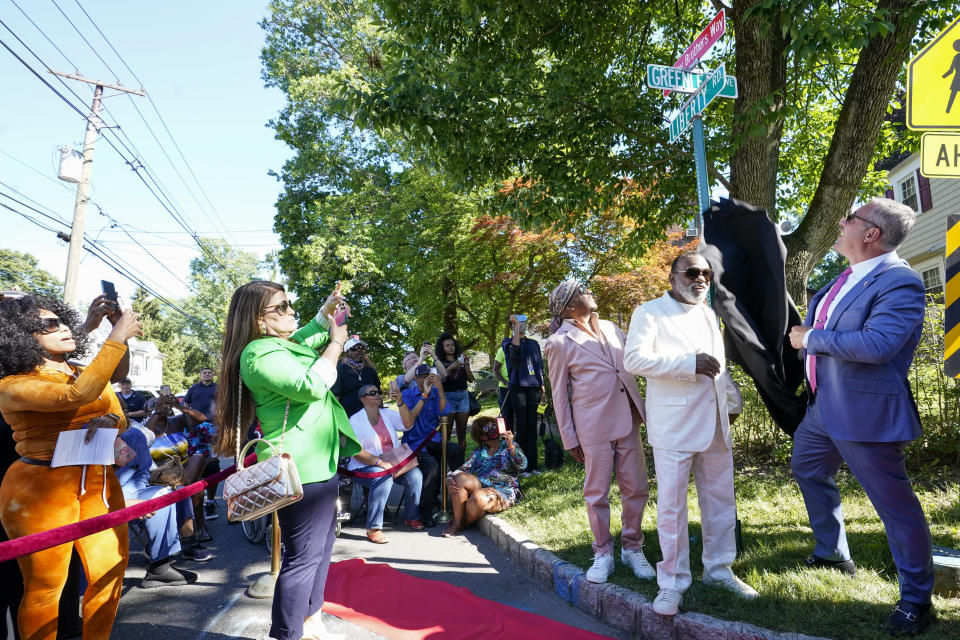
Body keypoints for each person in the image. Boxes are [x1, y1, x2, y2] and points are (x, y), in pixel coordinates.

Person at [787, 198, 934, 636]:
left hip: (865, 413)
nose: (840, 221)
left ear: (872, 233)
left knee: (896, 508)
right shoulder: (846, 276)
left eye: (849, 217)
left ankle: (916, 600)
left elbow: (878, 344)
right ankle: (833, 551)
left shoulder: (900, 281)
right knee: (807, 467)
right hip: (823, 408)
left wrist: (811, 337)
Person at [214, 281, 361, 640]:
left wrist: (327, 313)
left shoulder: (280, 345)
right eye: (280, 307)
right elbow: (312, 384)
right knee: (302, 560)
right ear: (258, 319)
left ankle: (310, 620)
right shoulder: (258, 354)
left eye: (289, 304)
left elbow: (309, 335)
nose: (290, 311)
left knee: (321, 549)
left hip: (317, 464)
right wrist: (338, 341)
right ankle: (285, 633)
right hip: (298, 469)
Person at [0, 294, 141, 640]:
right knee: (45, 588)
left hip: (98, 482)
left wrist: (109, 419)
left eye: (62, 319)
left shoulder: (80, 370)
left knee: (109, 575)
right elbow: (75, 397)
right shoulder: (11, 384)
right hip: (39, 489)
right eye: (49, 324)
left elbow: (118, 415)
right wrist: (115, 339)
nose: (63, 326)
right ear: (21, 335)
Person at [624, 251, 755, 616]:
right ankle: (672, 582)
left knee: (720, 502)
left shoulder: (708, 314)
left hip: (715, 424)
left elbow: (718, 367)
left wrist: (730, 401)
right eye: (692, 272)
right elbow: (632, 360)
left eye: (706, 274)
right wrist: (686, 364)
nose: (700, 279)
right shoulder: (648, 313)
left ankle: (719, 570)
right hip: (674, 428)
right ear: (672, 276)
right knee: (672, 508)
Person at [544, 280, 655, 584]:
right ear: (569, 307)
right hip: (592, 427)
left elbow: (636, 357)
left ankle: (632, 548)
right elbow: (558, 395)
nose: (589, 292)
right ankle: (603, 552)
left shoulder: (609, 326)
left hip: (628, 419)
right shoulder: (558, 343)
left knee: (636, 488)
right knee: (597, 494)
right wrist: (570, 438)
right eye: (582, 290)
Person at [115, 425, 207, 588]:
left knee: (178, 491)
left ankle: (185, 544)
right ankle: (159, 566)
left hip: (141, 483)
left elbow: (150, 435)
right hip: (114, 494)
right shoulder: (93, 433)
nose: (121, 414)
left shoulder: (134, 431)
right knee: (162, 496)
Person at [346, 384, 423, 543]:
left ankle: (411, 516)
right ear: (363, 399)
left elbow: (408, 424)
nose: (377, 395)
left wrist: (400, 402)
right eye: (372, 393)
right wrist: (379, 462)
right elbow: (356, 451)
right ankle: (373, 528)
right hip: (364, 465)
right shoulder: (355, 420)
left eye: (378, 392)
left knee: (416, 475)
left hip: (393, 462)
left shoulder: (387, 413)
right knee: (383, 477)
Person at [143, 394, 215, 549]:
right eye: (154, 404)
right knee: (195, 487)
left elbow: (202, 418)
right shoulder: (144, 429)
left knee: (198, 457)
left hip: (183, 469)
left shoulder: (176, 421)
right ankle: (199, 526)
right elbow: (142, 438)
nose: (161, 406)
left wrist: (179, 406)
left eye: (163, 404)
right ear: (147, 411)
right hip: (159, 474)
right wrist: (156, 413)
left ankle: (183, 492)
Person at [400, 364, 463, 527]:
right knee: (432, 465)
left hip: (434, 440)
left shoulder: (437, 393)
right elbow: (409, 419)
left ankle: (457, 500)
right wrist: (425, 395)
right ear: (415, 379)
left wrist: (440, 390)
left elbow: (445, 414)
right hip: (414, 444)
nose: (426, 378)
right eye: (422, 376)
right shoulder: (407, 394)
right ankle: (424, 512)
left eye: (429, 375)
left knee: (456, 450)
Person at [442, 416, 526, 538]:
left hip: (504, 489)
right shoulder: (479, 452)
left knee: (477, 499)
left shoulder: (509, 446)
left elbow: (522, 465)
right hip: (482, 485)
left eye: (494, 425)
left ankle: (463, 522)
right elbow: (462, 470)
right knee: (459, 478)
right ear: (481, 436)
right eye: (488, 427)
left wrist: (511, 446)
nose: (493, 429)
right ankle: (457, 522)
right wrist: (449, 479)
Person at [502, 314, 546, 474]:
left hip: (533, 387)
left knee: (532, 426)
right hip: (518, 387)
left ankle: (533, 465)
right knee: (521, 427)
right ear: (513, 326)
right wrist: (516, 329)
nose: (523, 326)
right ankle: (523, 466)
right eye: (519, 323)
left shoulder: (533, 343)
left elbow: (539, 366)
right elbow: (514, 357)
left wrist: (543, 389)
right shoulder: (507, 342)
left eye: (524, 323)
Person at [434, 332, 474, 445]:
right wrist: (451, 368)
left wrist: (467, 366)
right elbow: (438, 380)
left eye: (452, 345)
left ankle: (461, 462)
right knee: (447, 433)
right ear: (442, 348)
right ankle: (447, 461)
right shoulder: (438, 362)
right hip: (447, 398)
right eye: (447, 345)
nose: (451, 347)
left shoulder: (460, 359)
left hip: (463, 397)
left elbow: (471, 379)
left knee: (462, 434)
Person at [331, 336, 380, 418]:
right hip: (350, 417)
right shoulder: (340, 370)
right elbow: (335, 398)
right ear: (347, 353)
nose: (359, 351)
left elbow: (379, 393)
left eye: (362, 348)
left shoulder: (370, 371)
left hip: (373, 416)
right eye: (354, 349)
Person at [492, 344, 509, 411]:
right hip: (505, 388)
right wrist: (506, 383)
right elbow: (495, 369)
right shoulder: (503, 349)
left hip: (522, 387)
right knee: (506, 415)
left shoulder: (526, 348)